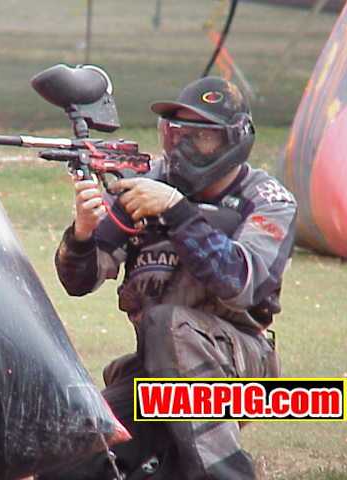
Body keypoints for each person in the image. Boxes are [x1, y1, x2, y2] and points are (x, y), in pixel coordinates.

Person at [51, 77, 297, 479]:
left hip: (239, 365)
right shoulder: (148, 183)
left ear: (234, 140)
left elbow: (240, 284)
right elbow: (79, 282)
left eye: (201, 136)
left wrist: (178, 212)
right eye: (176, 134)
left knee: (168, 323)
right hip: (155, 371)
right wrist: (81, 234)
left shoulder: (267, 200)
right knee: (70, 455)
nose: (183, 147)